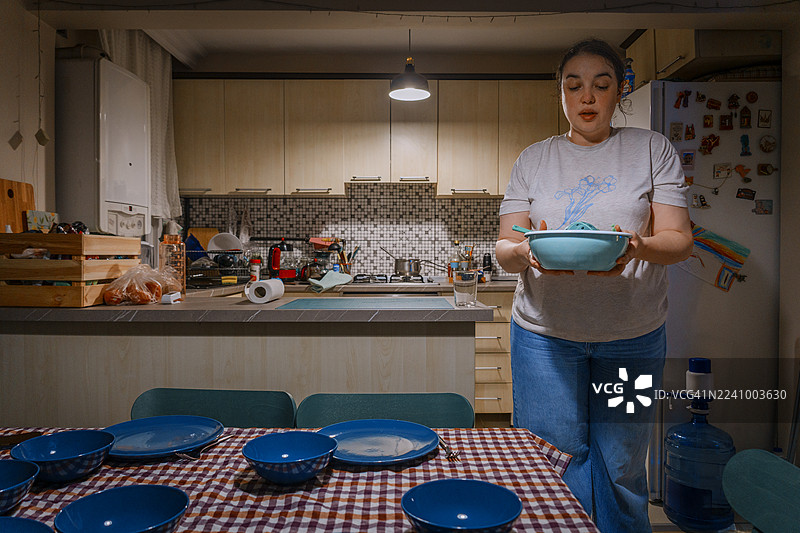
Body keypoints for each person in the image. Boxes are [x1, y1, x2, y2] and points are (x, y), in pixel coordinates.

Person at [495, 39, 693, 533]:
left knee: (623, 467)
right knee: (553, 464)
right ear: (560, 93)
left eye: (601, 85)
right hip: (544, 339)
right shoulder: (533, 159)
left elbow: (680, 241)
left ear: (620, 90)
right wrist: (528, 251)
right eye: (574, 85)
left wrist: (636, 247)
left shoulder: (651, 149)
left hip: (633, 336)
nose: (587, 97)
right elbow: (504, 248)